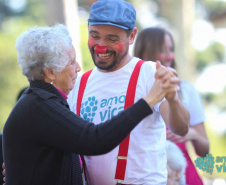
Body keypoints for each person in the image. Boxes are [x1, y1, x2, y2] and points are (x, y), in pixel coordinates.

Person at [2, 24, 174, 185]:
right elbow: (95, 139)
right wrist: (149, 101)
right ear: (50, 72)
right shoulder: (41, 106)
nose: (78, 67)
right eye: (71, 62)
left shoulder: (41, 102)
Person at [68, 0, 190, 184]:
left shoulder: (148, 73)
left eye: (112, 38)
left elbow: (180, 128)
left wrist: (173, 100)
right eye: (95, 36)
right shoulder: (78, 84)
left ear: (132, 36)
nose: (101, 46)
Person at [134, 27, 209, 185]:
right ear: (145, 51)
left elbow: (204, 151)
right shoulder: (130, 91)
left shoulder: (186, 90)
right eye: (163, 50)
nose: (170, 56)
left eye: (171, 49)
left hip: (185, 177)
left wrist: (192, 133)